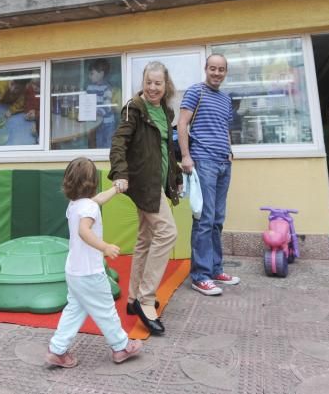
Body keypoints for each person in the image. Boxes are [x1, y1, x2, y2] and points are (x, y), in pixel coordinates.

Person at [46, 157, 142, 368]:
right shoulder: (88, 208)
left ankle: (57, 349)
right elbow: (84, 231)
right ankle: (121, 346)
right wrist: (105, 247)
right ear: (92, 182)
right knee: (105, 309)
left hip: (74, 272)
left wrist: (115, 189)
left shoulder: (75, 205)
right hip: (90, 273)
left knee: (75, 309)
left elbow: (97, 200)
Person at [109, 61, 182, 335]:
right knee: (167, 232)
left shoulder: (165, 110)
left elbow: (167, 149)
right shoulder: (134, 108)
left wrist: (175, 178)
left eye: (158, 83)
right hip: (143, 183)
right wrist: (119, 171)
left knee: (145, 238)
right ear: (143, 82)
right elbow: (119, 142)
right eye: (149, 82)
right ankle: (145, 298)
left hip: (158, 183)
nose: (153, 88)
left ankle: (131, 299)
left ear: (166, 85)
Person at [179, 53, 239, 296]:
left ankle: (215, 269)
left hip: (223, 162)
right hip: (203, 161)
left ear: (225, 72)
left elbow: (224, 128)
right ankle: (200, 275)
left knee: (217, 220)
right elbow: (182, 124)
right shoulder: (196, 91)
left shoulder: (225, 99)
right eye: (213, 68)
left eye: (221, 69)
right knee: (204, 219)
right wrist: (186, 156)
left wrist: (230, 151)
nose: (217, 73)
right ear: (206, 69)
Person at [85, 58, 116, 149]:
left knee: (108, 143)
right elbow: (87, 102)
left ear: (101, 74)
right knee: (99, 142)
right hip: (96, 122)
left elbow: (107, 106)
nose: (89, 76)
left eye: (92, 73)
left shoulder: (107, 87)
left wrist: (98, 112)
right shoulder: (89, 87)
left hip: (108, 122)